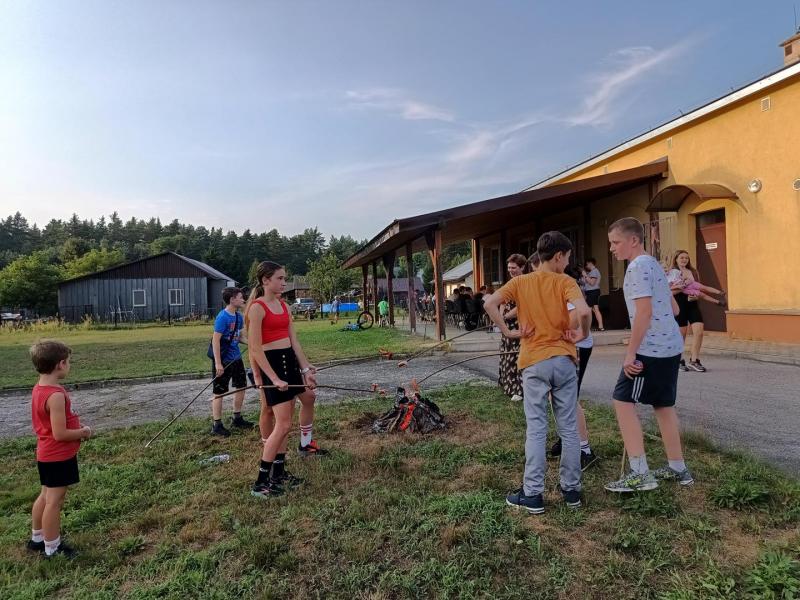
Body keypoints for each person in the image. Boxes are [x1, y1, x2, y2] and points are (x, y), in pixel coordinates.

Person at [484, 232, 592, 514]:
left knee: (536, 427)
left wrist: (508, 331)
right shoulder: (565, 281)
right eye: (567, 258)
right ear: (558, 256)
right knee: (568, 427)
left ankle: (532, 494)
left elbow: (489, 303)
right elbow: (584, 311)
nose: (567, 264)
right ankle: (571, 491)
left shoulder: (520, 282)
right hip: (564, 359)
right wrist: (582, 334)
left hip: (534, 361)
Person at [604, 218, 693, 493]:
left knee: (622, 401)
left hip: (650, 349)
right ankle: (678, 468)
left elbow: (644, 312)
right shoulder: (654, 264)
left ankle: (640, 474)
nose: (611, 248)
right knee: (663, 405)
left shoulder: (637, 267)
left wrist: (630, 353)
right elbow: (675, 310)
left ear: (633, 240)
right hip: (671, 346)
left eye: (615, 242)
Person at [245, 261, 326, 499]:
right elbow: (255, 349)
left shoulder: (283, 306)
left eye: (284, 278)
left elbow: (294, 342)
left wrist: (305, 368)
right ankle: (260, 483)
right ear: (265, 280)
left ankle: (278, 474)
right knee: (282, 425)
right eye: (280, 278)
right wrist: (273, 378)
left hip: (288, 362)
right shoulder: (257, 308)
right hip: (273, 366)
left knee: (287, 422)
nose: (284, 282)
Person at [28, 340, 92, 558]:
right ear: (60, 364)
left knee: (46, 495)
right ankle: (52, 547)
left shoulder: (39, 388)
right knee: (54, 501)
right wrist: (83, 432)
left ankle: (37, 538)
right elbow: (60, 434)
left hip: (45, 453)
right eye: (68, 362)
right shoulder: (55, 395)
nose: (69, 365)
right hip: (57, 455)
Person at [669, 250, 724, 373]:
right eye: (682, 257)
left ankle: (694, 361)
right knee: (681, 335)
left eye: (686, 258)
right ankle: (679, 360)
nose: (684, 260)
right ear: (676, 259)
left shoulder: (693, 272)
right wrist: (682, 288)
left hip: (692, 304)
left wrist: (695, 296)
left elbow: (697, 288)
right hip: (679, 305)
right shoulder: (672, 272)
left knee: (699, 332)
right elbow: (668, 291)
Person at [210, 287, 253, 436]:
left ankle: (237, 418)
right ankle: (217, 425)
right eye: (241, 297)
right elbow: (215, 340)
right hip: (223, 360)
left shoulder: (239, 317)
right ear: (232, 299)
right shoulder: (222, 317)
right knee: (219, 392)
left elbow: (239, 337)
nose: (243, 299)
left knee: (241, 386)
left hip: (236, 358)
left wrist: (252, 344)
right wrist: (218, 363)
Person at [498, 254, 527, 402]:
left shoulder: (525, 283)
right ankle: (507, 385)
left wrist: (507, 316)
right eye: (509, 267)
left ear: (522, 267)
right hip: (506, 324)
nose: (511, 270)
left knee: (518, 356)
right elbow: (502, 301)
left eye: (514, 267)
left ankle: (519, 389)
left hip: (519, 323)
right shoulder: (509, 283)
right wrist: (501, 316)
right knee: (506, 353)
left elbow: (523, 305)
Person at [582, 258, 605, 331]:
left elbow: (592, 283)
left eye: (587, 264)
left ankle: (587, 327)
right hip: (592, 292)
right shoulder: (592, 272)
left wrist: (585, 275)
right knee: (595, 309)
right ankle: (600, 326)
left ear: (590, 263)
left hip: (593, 292)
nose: (586, 266)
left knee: (588, 309)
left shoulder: (594, 271)